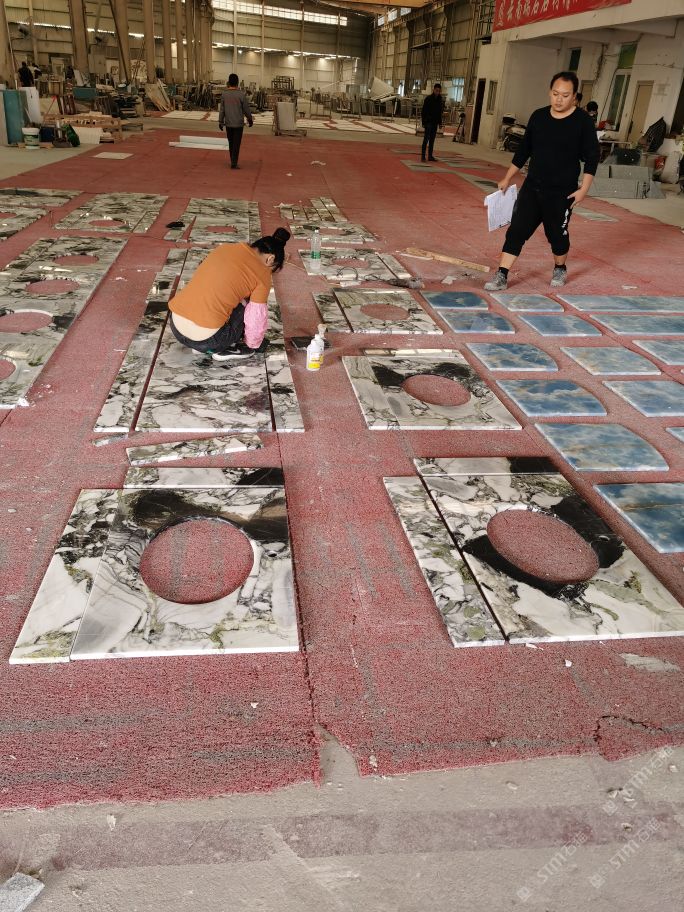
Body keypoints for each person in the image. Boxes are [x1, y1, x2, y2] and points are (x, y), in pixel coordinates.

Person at [484, 71, 599, 291]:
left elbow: (592, 158)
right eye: (555, 94)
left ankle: (560, 267)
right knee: (517, 230)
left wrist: (583, 189)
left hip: (562, 192)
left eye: (565, 95)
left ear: (575, 97)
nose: (559, 99)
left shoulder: (583, 122)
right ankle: (502, 274)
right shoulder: (538, 117)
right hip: (533, 187)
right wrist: (507, 177)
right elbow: (524, 151)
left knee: (556, 236)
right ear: (549, 92)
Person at [168, 229, 290, 361]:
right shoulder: (263, 275)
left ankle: (199, 345)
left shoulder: (224, 248)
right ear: (270, 259)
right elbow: (256, 318)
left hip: (176, 327)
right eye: (272, 269)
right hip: (210, 341)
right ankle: (223, 349)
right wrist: (253, 344)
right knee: (248, 304)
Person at [218, 73, 253, 170]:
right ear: (237, 82)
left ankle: (232, 161)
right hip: (238, 124)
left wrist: (220, 121)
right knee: (236, 144)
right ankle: (234, 162)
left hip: (228, 123)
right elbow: (246, 109)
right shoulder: (241, 94)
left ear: (229, 82)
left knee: (231, 143)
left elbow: (222, 110)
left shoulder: (224, 94)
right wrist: (250, 119)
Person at [421, 83, 444, 162]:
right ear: (433, 90)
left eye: (439, 91)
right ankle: (423, 156)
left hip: (435, 123)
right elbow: (423, 111)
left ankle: (430, 156)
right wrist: (423, 122)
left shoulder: (440, 100)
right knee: (426, 139)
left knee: (432, 140)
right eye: (436, 90)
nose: (437, 92)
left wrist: (440, 123)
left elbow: (440, 113)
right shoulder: (428, 99)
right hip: (428, 122)